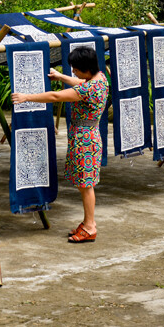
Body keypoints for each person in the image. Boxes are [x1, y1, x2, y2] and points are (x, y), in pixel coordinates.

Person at [11, 45, 108, 244]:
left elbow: (56, 97)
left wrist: (26, 97)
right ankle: (88, 223)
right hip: (89, 135)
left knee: (86, 185)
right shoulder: (100, 79)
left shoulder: (88, 89)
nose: (73, 71)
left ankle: (90, 227)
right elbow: (79, 83)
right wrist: (61, 77)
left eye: (75, 68)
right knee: (85, 184)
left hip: (85, 141)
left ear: (85, 67)